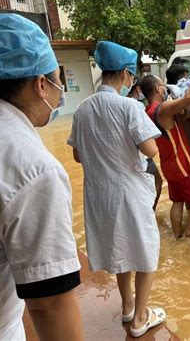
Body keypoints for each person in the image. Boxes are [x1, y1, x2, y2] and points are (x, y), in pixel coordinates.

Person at [0, 14, 83, 340]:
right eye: (59, 81)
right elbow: (52, 304)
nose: (61, 92)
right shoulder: (33, 168)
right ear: (41, 84)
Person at [68, 41, 166, 337]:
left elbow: (77, 155)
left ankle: (126, 306)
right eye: (131, 76)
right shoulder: (129, 107)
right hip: (129, 193)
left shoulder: (82, 109)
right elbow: (151, 150)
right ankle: (140, 319)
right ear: (125, 73)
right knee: (146, 252)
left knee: (122, 250)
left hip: (100, 196)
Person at [141, 75, 190, 238]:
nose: (165, 87)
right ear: (158, 89)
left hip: (168, 166)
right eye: (163, 85)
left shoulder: (148, 112)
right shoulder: (163, 108)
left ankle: (177, 236)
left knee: (178, 201)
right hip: (183, 165)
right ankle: (189, 232)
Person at [128, 77, 163, 210]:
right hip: (141, 155)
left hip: (127, 159)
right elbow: (151, 149)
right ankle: (150, 211)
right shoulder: (136, 106)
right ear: (137, 89)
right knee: (157, 181)